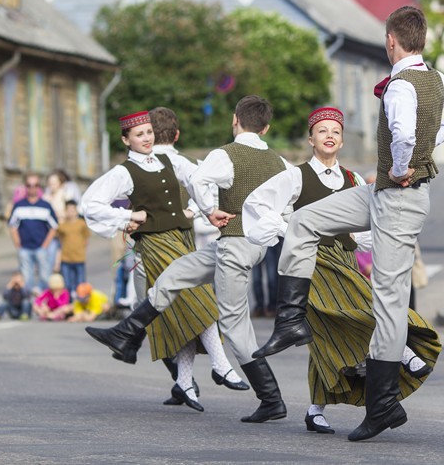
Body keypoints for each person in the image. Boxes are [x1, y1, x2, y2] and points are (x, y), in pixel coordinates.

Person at [250, 6, 444, 442]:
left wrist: (402, 164)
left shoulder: (400, 87)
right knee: (304, 220)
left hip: (399, 196)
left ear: (392, 40)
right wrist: (425, 147)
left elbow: (406, 134)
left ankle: (382, 406)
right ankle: (291, 320)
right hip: (380, 195)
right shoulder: (435, 79)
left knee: (389, 301)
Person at [83, 97, 289, 424]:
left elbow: (200, 180)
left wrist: (207, 209)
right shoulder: (280, 162)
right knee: (175, 274)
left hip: (235, 244)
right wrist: (274, 226)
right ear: (266, 128)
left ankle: (271, 398)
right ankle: (126, 332)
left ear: (235, 120)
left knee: (235, 325)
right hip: (243, 245)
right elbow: (292, 200)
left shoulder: (225, 154)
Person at [244, 106, 441, 433]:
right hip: (312, 262)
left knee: (324, 333)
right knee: (349, 316)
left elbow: (366, 231)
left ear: (342, 140)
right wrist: (290, 227)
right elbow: (256, 205)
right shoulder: (296, 176)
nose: (330, 136)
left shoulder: (352, 179)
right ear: (311, 139)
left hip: (344, 261)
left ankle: (314, 409)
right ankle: (403, 352)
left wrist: (369, 237)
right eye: (322, 131)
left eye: (335, 131)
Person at [8, 173, 59, 294]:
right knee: (27, 279)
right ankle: (30, 306)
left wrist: (45, 245)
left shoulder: (45, 206)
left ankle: (44, 304)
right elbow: (12, 226)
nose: (32, 188)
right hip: (24, 248)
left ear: (39, 187)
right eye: (29, 185)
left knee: (45, 278)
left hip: (41, 248)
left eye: (35, 185)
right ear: (25, 187)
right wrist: (18, 244)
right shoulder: (19, 206)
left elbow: (54, 226)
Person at [57, 200, 91, 297]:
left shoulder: (81, 224)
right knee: (67, 284)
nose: (70, 212)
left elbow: (86, 238)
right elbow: (59, 238)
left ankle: (82, 302)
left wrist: (81, 248)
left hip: (79, 258)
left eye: (72, 210)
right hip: (66, 258)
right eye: (68, 210)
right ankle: (69, 304)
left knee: (81, 284)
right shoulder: (62, 225)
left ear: (76, 211)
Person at [251, 243, 281, 318]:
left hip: (270, 242)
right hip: (255, 242)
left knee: (272, 278)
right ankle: (259, 307)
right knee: (256, 279)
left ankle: (272, 307)